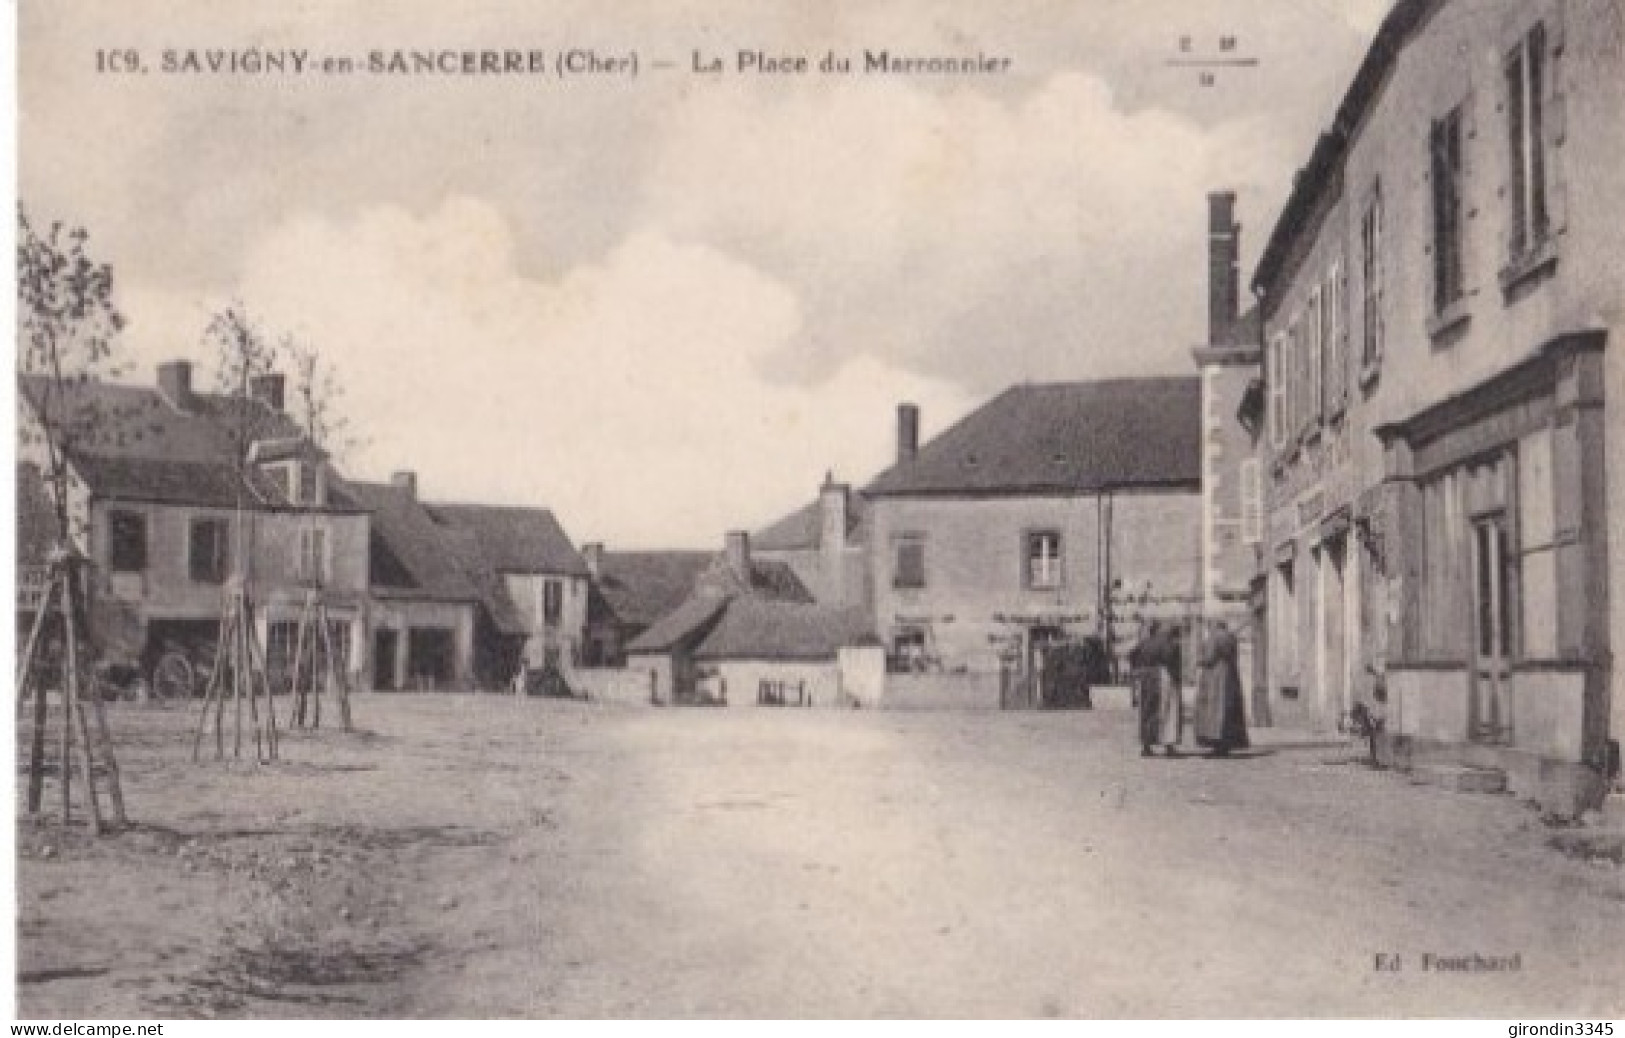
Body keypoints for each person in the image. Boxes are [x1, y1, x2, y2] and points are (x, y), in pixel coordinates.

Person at [1194, 620, 1250, 756]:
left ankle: (1217, 743)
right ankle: (1227, 743)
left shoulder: (1214, 638)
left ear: (1213, 626)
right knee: (1229, 709)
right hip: (1230, 674)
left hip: (1216, 676)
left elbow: (1209, 658)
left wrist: (1199, 660)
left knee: (1214, 709)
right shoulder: (1231, 637)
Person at [1130, 621, 1183, 757]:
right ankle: (1168, 745)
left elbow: (1132, 655)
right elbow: (1171, 659)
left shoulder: (1144, 643)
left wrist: (1138, 670)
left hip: (1146, 677)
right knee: (1168, 710)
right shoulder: (1168, 642)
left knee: (1147, 710)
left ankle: (1146, 746)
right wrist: (1177, 677)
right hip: (1163, 675)